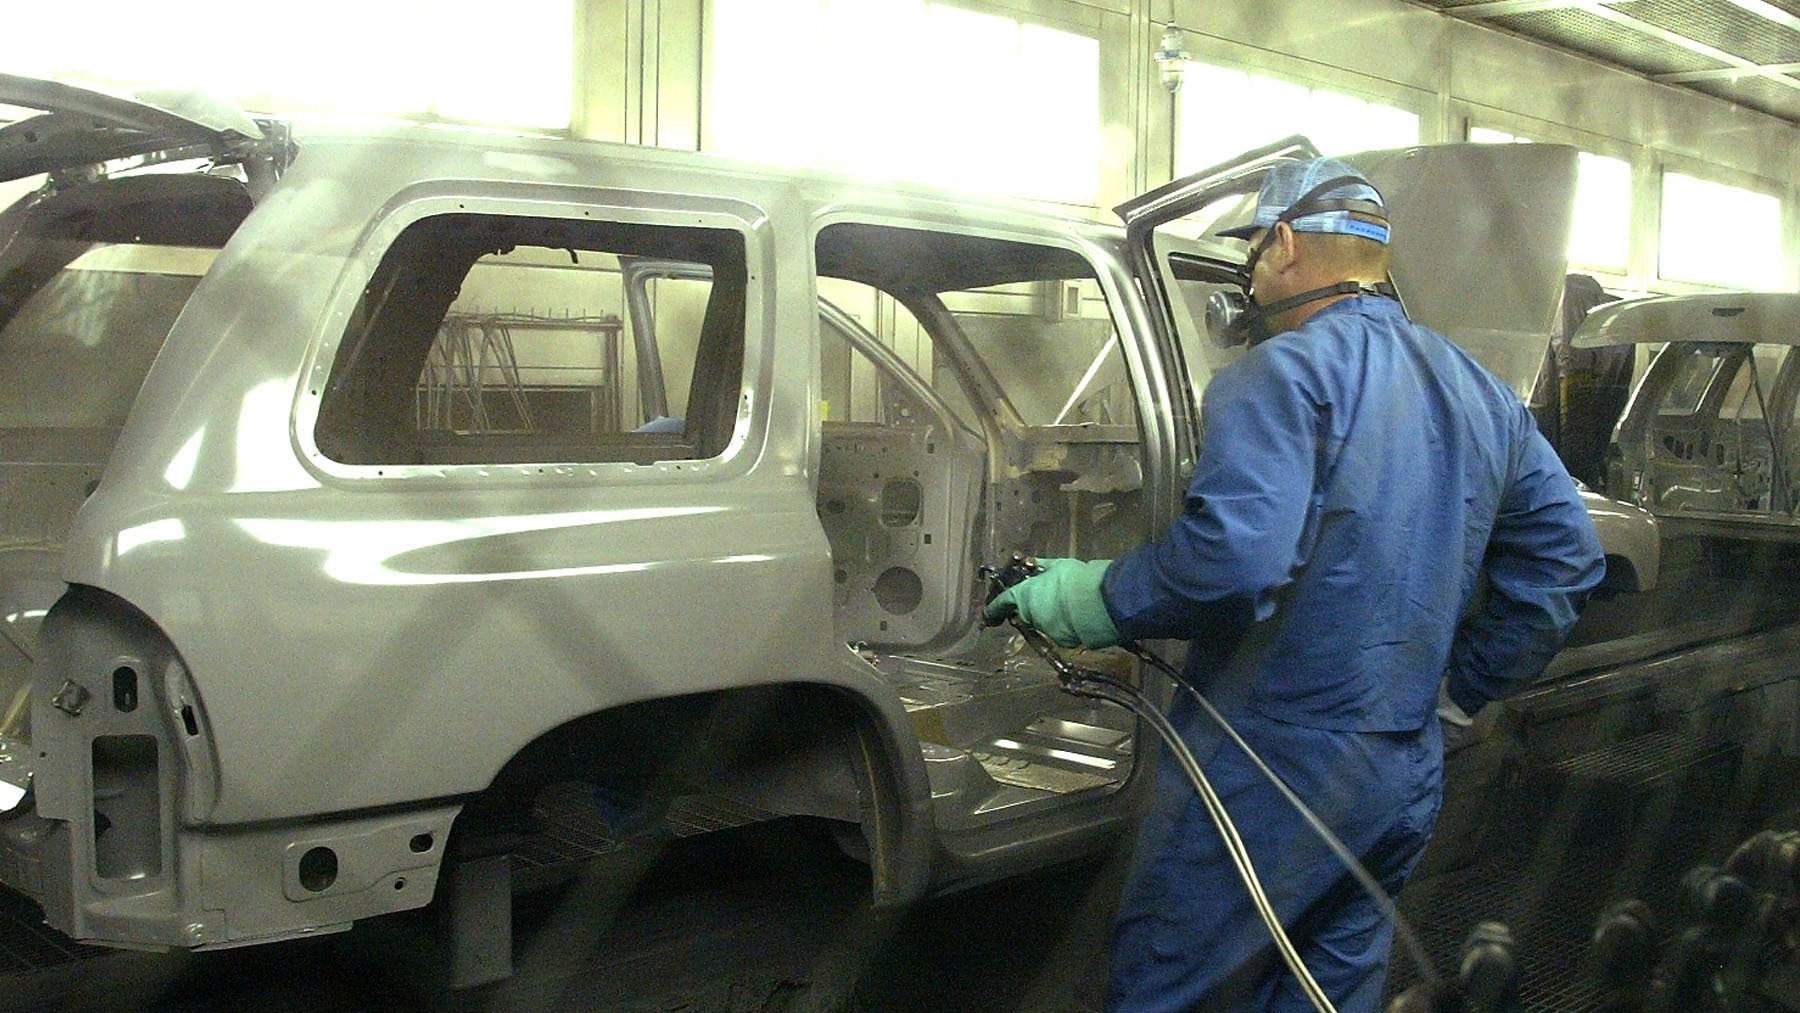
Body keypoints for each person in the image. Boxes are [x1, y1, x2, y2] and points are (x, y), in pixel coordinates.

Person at [986, 157, 1606, 1012]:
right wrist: (1461, 687)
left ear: (1282, 243)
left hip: (1269, 763)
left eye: (1249, 255)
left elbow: (1233, 559)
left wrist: (1094, 595)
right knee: (1325, 985)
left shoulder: (1277, 376)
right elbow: (1568, 556)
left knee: (1174, 979)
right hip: (1401, 769)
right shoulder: (1483, 392)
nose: (1247, 278)